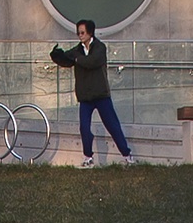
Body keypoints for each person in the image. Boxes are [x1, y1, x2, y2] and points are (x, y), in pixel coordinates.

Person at [51, 19, 132, 164]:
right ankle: (88, 157)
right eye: (78, 33)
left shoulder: (100, 47)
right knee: (84, 127)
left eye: (82, 32)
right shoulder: (78, 50)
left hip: (101, 95)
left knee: (112, 125)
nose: (80, 35)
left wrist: (76, 58)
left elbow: (92, 61)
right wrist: (56, 55)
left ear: (90, 32)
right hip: (85, 97)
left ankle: (127, 155)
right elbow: (67, 60)